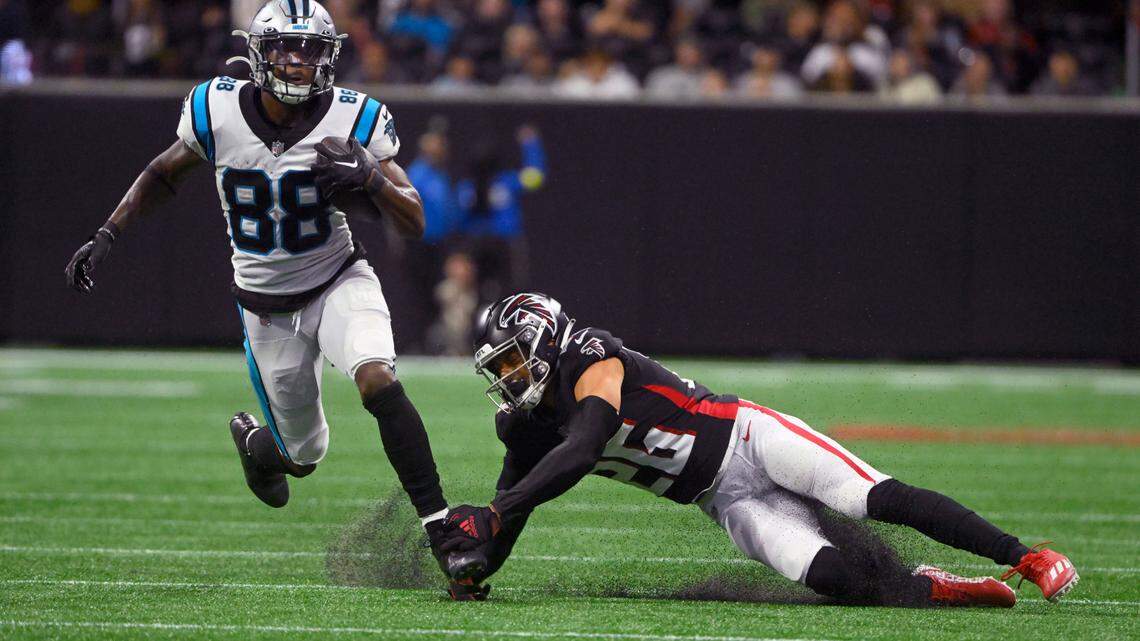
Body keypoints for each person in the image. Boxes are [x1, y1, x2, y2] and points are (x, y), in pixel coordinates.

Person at [62, 0, 469, 597]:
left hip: (337, 279)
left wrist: (371, 179)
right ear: (257, 52)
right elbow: (162, 173)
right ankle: (257, 443)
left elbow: (415, 222)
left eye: (309, 50)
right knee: (303, 458)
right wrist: (107, 234)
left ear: (328, 58)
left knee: (377, 377)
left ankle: (443, 533)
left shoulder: (357, 118)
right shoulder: (216, 108)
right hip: (265, 307)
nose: (297, 61)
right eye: (284, 47)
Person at [438, 293, 1080, 607]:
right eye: (505, 370)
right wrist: (477, 561)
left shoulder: (590, 355)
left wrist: (496, 513)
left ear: (548, 340)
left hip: (749, 440)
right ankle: (932, 587)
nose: (512, 380)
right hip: (722, 500)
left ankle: (1027, 555)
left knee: (868, 497)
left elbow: (581, 447)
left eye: (517, 363)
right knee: (832, 578)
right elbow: (515, 503)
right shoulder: (521, 424)